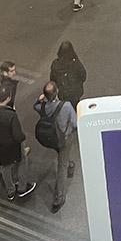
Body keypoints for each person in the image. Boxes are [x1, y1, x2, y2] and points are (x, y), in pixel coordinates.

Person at [0, 85, 36, 200]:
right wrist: (23, 138)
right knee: (21, 162)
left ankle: (10, 191)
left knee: (5, 166)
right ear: (7, 99)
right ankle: (22, 188)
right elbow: (17, 135)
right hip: (13, 145)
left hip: (0, 145)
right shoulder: (10, 115)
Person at [33, 81, 78, 213]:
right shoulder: (66, 106)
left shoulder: (41, 107)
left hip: (49, 139)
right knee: (61, 166)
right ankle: (58, 199)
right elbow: (75, 123)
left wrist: (38, 100)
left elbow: (34, 106)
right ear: (57, 92)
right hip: (64, 139)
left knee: (63, 155)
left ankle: (69, 163)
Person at [49, 41, 87, 109]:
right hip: (75, 93)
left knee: (64, 109)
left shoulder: (55, 64)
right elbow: (83, 76)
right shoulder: (75, 63)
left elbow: (52, 79)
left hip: (63, 93)